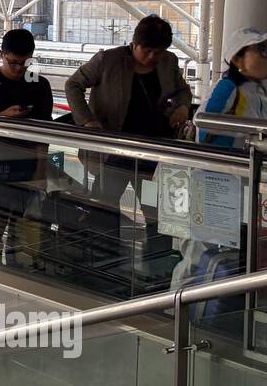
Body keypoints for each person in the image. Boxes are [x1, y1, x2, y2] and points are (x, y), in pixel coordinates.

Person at [65, 14, 191, 238]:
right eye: (147, 50)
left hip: (154, 150)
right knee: (104, 207)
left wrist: (182, 107)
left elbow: (182, 90)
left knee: (156, 210)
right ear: (134, 43)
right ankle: (104, 252)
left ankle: (158, 257)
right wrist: (87, 121)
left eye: (158, 51)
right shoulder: (108, 60)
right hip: (115, 149)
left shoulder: (168, 61)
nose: (153, 57)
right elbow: (73, 84)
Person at [0, 28, 55, 265]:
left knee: (25, 228)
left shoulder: (40, 85)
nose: (19, 69)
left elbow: (44, 132)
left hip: (29, 165)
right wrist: (3, 117)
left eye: (25, 63)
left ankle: (17, 272)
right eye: (13, 62)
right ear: (2, 54)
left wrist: (40, 171)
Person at [196, 28, 267, 149]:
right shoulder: (227, 87)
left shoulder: (256, 91)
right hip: (220, 163)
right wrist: (252, 128)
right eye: (263, 51)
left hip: (245, 162)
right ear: (237, 60)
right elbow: (203, 121)